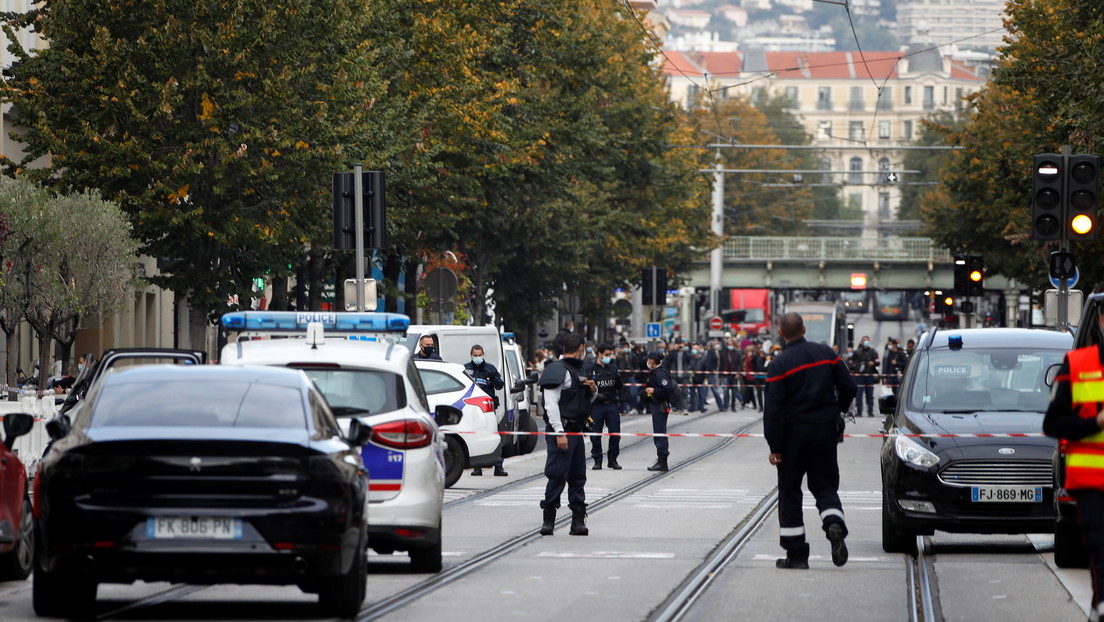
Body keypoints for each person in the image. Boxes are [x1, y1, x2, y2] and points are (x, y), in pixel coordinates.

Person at [765, 312, 857, 570]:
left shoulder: (778, 365)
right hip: (825, 432)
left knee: (790, 492)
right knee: (825, 485)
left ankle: (796, 555)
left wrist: (775, 447)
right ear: (804, 329)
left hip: (793, 436)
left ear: (781, 333)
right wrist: (837, 410)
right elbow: (849, 387)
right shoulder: (827, 354)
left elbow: (773, 411)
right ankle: (834, 524)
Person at [1043, 322, 1104, 620]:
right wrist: (1094, 424)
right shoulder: (1079, 364)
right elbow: (1052, 424)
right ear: (1101, 320)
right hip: (1092, 481)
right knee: (1100, 544)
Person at [537, 333, 597, 536]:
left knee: (578, 476)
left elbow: (585, 399)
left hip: (577, 431)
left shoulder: (580, 370)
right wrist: (559, 432)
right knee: (557, 474)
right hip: (562, 431)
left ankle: (577, 521)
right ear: (581, 347)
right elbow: (550, 403)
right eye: (584, 349)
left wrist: (593, 389)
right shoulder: (557, 370)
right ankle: (548, 521)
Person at [465, 345, 507, 477]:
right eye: (475, 355)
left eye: (479, 355)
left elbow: (500, 386)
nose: (478, 358)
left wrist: (493, 377)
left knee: (494, 435)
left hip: (488, 408)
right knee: (477, 436)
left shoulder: (490, 368)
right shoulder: (466, 368)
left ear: (484, 355)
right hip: (473, 409)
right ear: (471, 355)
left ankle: (498, 466)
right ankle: (477, 467)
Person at [584, 343, 623, 470]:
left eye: (610, 355)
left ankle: (612, 459)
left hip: (611, 404)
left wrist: (618, 378)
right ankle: (597, 460)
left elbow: (619, 386)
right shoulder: (590, 369)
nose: (609, 357)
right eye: (606, 355)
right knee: (595, 434)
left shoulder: (612, 368)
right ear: (599, 354)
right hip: (596, 405)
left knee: (615, 434)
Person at [642, 351, 676, 472]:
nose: (647, 362)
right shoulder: (656, 372)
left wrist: (654, 391)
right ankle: (661, 459)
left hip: (660, 406)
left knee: (659, 432)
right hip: (656, 404)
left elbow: (667, 389)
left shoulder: (660, 373)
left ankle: (662, 461)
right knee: (658, 432)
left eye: (648, 360)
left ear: (652, 360)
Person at [848, 336, 879, 417]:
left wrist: (873, 363)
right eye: (864, 341)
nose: (866, 342)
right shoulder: (857, 352)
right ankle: (859, 412)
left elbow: (878, 362)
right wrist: (858, 366)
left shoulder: (872, 352)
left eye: (867, 341)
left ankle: (870, 411)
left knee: (870, 395)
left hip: (869, 376)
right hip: (860, 376)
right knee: (859, 395)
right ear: (861, 342)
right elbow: (851, 362)